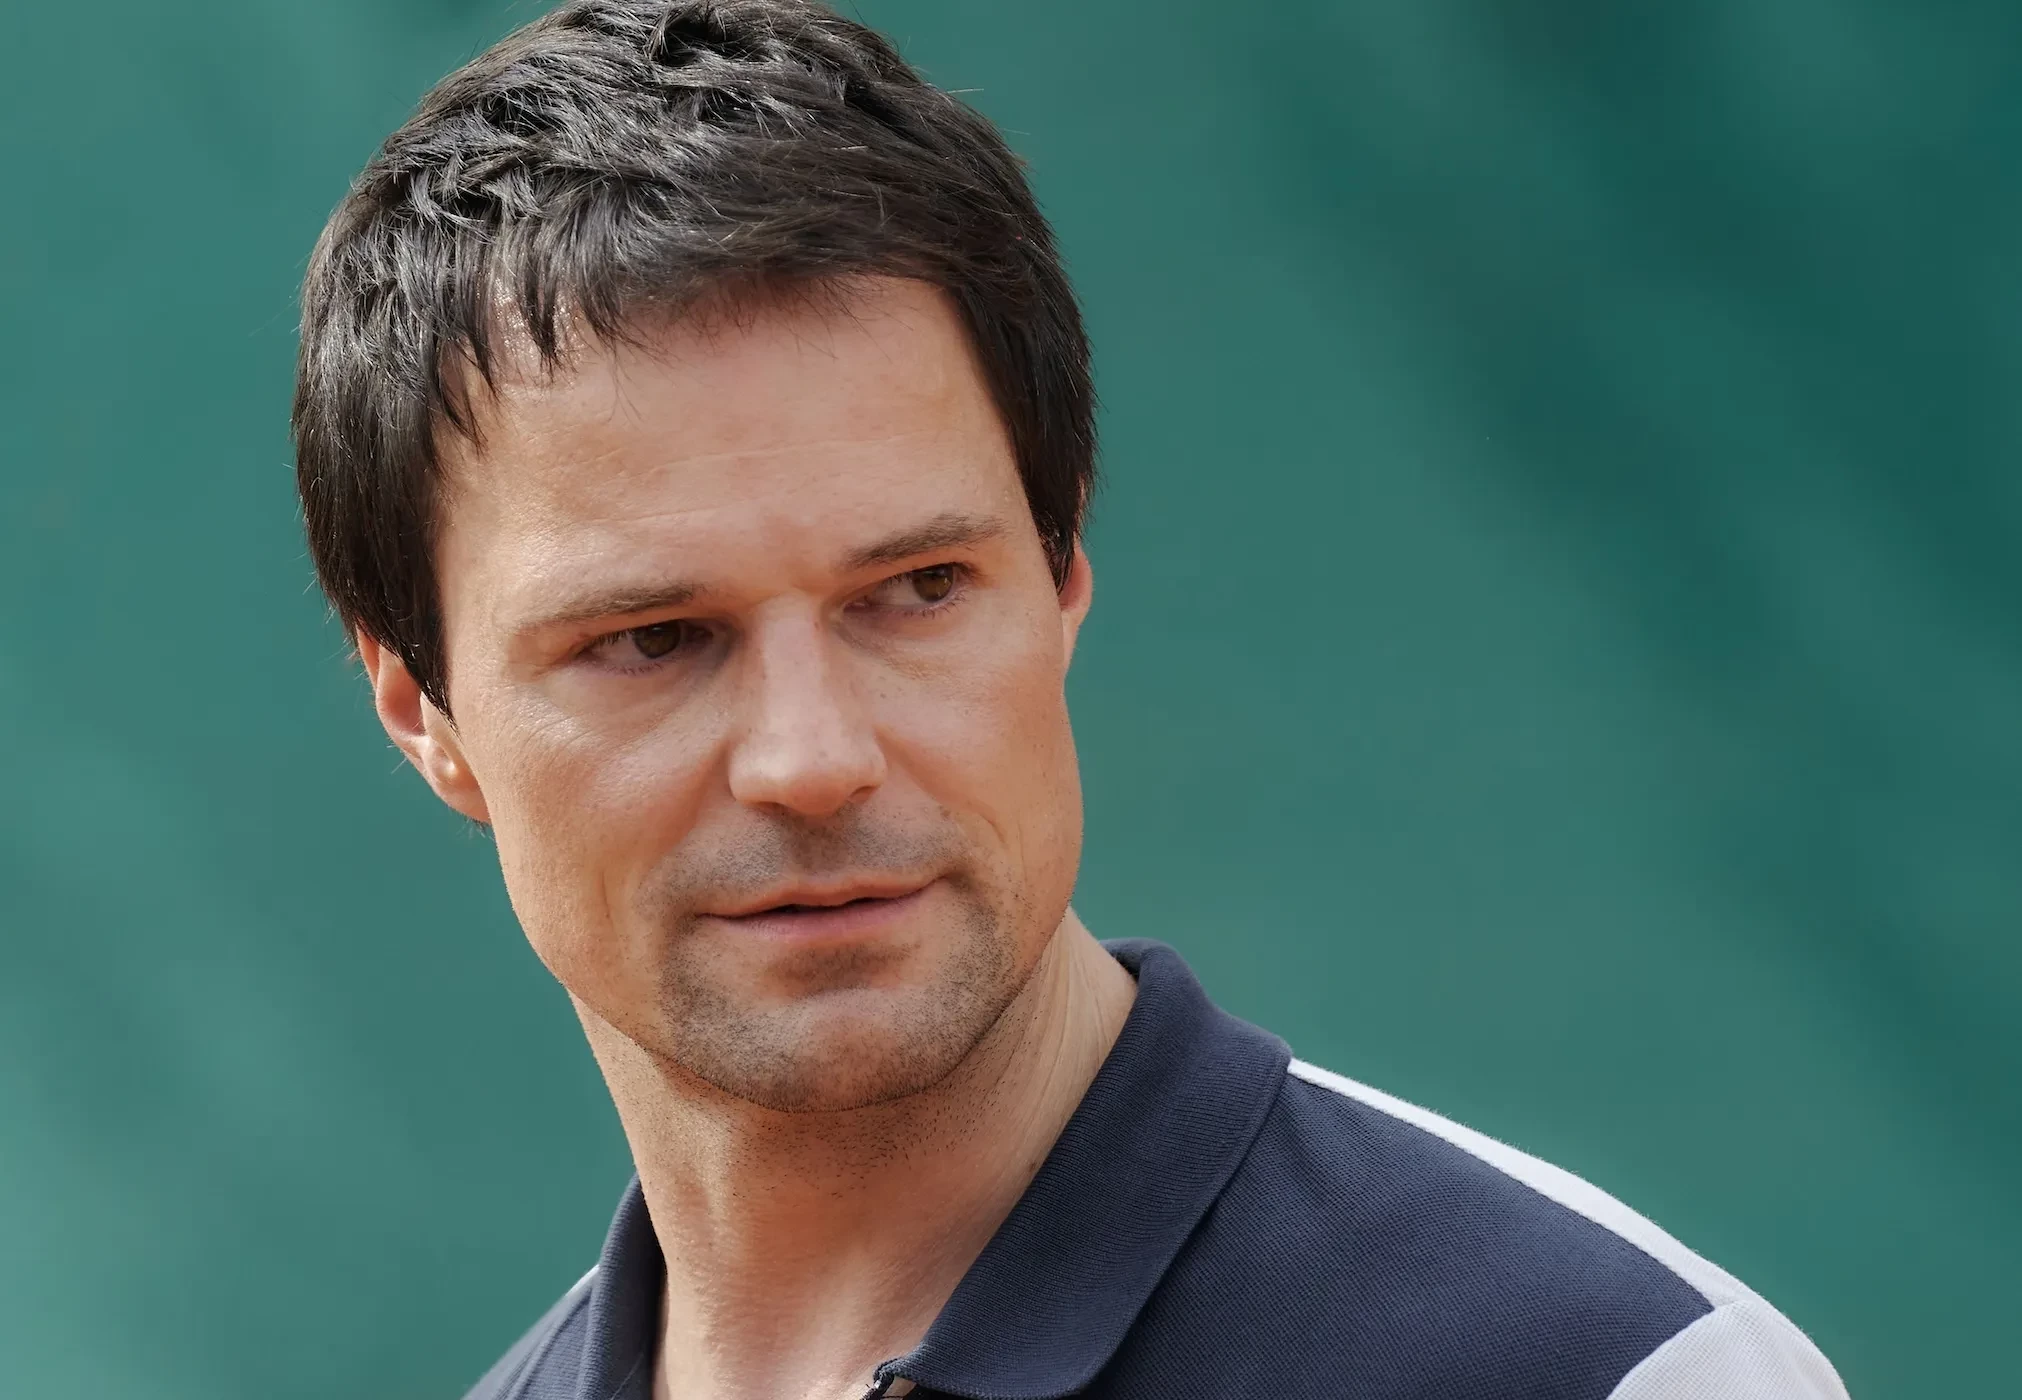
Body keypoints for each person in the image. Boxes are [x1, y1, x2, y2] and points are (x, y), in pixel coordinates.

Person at [291, 2, 1850, 1397]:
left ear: (1060, 581)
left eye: (916, 589)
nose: (814, 759)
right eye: (652, 639)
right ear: (422, 711)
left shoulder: (1600, 1372)